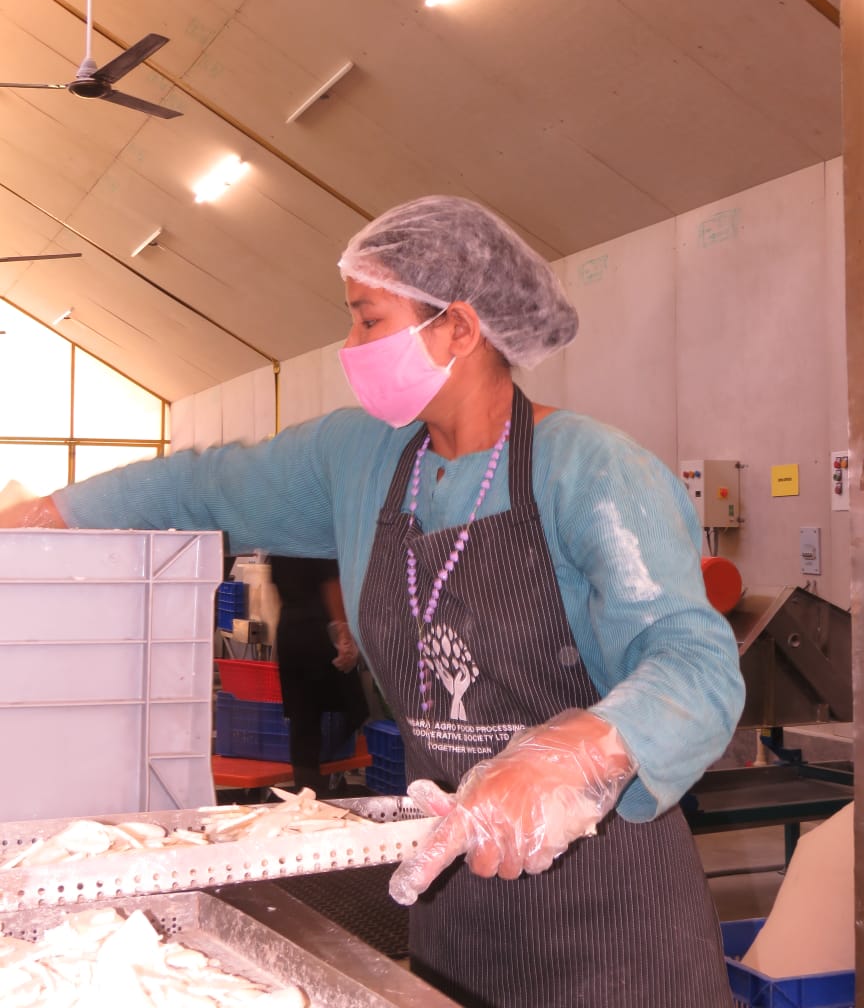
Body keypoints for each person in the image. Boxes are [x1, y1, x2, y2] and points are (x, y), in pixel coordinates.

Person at [1, 195, 745, 1008]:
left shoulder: (593, 471)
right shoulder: (362, 461)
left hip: (611, 911)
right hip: (449, 898)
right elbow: (202, 485)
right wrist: (37, 519)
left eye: (367, 320)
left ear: (458, 328)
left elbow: (695, 664)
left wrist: (578, 753)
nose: (350, 348)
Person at [267, 555, 368, 793]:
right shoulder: (318, 542)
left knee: (302, 721)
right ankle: (325, 783)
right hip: (319, 630)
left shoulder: (279, 543)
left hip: (290, 630)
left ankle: (309, 788)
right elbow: (331, 583)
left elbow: (276, 588)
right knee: (355, 708)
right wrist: (342, 631)